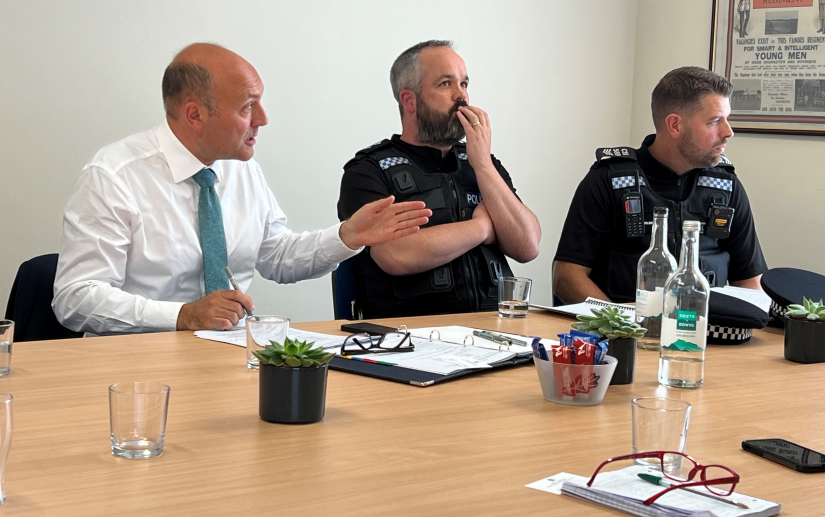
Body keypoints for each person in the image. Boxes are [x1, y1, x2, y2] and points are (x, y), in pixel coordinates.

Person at [53, 43, 432, 335]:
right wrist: (181, 316)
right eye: (248, 107)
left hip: (226, 357)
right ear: (195, 115)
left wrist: (347, 235)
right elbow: (76, 297)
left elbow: (277, 257)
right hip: (135, 368)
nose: (263, 120)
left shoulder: (242, 170)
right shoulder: (113, 175)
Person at [337, 40, 541, 318]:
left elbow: (527, 245)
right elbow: (395, 254)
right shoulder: (369, 170)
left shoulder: (484, 164)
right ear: (409, 100)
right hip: (411, 338)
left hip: (497, 329)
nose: (462, 97)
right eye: (446, 84)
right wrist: (482, 227)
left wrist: (482, 164)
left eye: (464, 84)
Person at [553, 66, 767, 305]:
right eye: (715, 121)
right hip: (621, 335)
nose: (729, 132)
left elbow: (750, 281)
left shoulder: (726, 187)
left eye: (727, 120)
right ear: (675, 125)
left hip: (703, 333)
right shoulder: (609, 181)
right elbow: (567, 277)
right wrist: (621, 326)